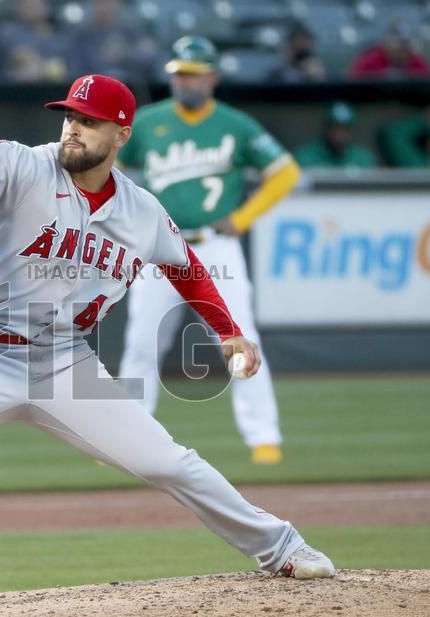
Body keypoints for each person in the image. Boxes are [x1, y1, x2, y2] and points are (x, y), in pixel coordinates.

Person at [0, 73, 335, 612]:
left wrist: (228, 331)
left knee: (168, 462)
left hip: (62, 363)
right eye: (70, 115)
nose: (73, 128)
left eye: (90, 121)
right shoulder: (25, 166)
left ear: (121, 135)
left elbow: (185, 267)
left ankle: (281, 547)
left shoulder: (141, 211)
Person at [117, 37, 299, 466]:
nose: (187, 80)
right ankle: (124, 436)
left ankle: (263, 437)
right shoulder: (147, 122)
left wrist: (243, 217)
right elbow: (111, 169)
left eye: (195, 73)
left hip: (217, 245)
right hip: (162, 246)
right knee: (142, 342)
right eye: (180, 73)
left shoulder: (236, 125)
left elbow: (285, 172)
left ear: (213, 77)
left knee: (240, 337)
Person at [294, 102, 377, 169]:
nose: (340, 134)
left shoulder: (363, 158)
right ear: (326, 128)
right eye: (336, 127)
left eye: (345, 128)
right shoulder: (305, 157)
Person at [348, 19, 430, 79]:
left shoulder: (418, 64)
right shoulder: (369, 63)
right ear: (387, 43)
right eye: (398, 43)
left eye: (405, 44)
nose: (402, 48)